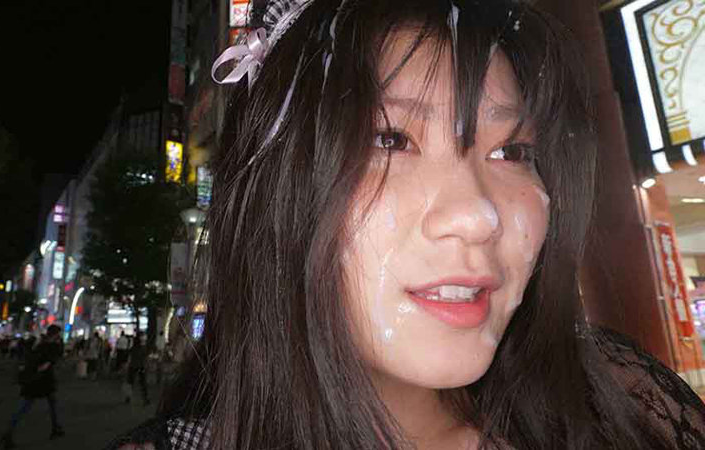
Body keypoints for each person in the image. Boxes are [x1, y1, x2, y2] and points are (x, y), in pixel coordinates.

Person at [107, 1, 705, 449]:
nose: (479, 216)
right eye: (390, 139)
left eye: (512, 152)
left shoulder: (626, 404)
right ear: (277, 191)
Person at [0, 324, 65, 448]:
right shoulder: (52, 347)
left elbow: (31, 358)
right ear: (56, 335)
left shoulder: (38, 344)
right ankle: (8, 434)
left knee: (43, 403)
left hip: (35, 379)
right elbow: (47, 364)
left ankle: (55, 427)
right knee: (31, 406)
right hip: (42, 380)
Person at [124, 332, 150, 406]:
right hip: (140, 366)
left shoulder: (134, 347)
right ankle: (145, 398)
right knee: (142, 383)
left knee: (131, 382)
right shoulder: (143, 347)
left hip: (133, 366)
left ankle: (128, 397)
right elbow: (145, 357)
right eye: (143, 337)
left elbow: (130, 356)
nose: (144, 338)